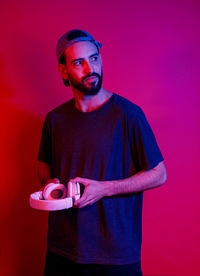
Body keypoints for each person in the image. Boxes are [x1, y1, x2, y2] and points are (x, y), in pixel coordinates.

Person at [37, 29, 167, 276]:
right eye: (79, 62)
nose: (90, 68)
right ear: (64, 71)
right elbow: (44, 165)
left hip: (114, 256)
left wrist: (104, 189)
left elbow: (159, 174)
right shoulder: (54, 120)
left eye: (94, 58)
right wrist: (49, 183)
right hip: (61, 250)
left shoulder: (128, 114)